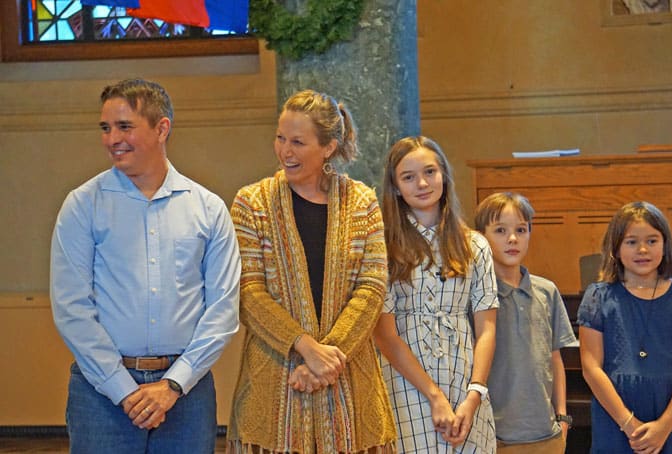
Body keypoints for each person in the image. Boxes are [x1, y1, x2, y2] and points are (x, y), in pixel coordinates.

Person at [50, 78, 241, 453]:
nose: (112, 138)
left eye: (125, 126)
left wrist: (173, 385)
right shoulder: (84, 204)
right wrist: (123, 389)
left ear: (162, 128)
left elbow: (222, 310)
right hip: (102, 391)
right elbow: (72, 307)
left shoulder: (206, 208)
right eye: (105, 128)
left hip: (186, 392)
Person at [226, 89, 396, 453]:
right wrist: (304, 347)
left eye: (298, 142)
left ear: (329, 147)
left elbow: (372, 289)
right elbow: (248, 290)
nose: (285, 151)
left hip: (350, 384)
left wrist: (325, 358)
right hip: (275, 384)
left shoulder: (361, 201)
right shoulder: (251, 202)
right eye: (281, 138)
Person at [374, 135, 498, 453]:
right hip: (406, 385)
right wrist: (434, 396)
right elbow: (385, 335)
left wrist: (474, 394)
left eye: (430, 172)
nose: (422, 183)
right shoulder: (383, 248)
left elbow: (487, 328)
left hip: (465, 380)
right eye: (408, 177)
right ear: (395, 187)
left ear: (443, 173)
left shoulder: (475, 245)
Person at [577, 201, 672, 453]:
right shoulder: (598, 297)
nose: (642, 249)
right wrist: (628, 423)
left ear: (665, 245)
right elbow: (591, 367)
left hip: (670, 415)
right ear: (616, 248)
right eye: (631, 242)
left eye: (652, 241)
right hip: (615, 415)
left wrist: (664, 426)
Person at [474, 192, 576, 454]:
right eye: (500, 230)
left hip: (546, 433)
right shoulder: (476, 296)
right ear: (480, 237)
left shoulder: (547, 291)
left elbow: (555, 358)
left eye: (521, 229)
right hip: (494, 435)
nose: (512, 239)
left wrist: (562, 416)